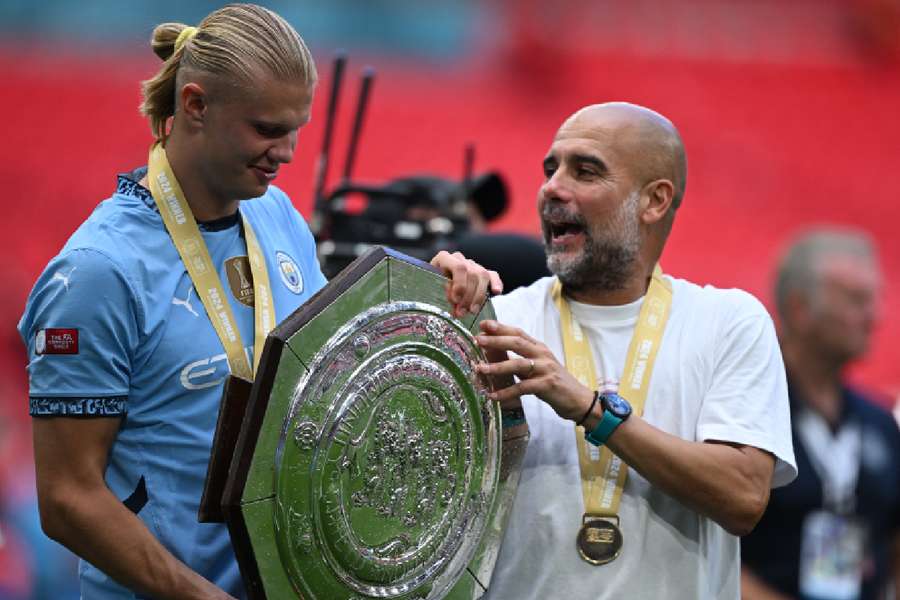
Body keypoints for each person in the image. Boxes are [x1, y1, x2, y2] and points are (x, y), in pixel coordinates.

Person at [17, 5, 497, 599]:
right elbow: (67, 498)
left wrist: (428, 288)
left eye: (296, 129)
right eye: (267, 130)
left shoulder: (276, 215)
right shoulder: (99, 272)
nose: (288, 151)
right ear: (194, 106)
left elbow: (334, 379)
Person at [472, 102, 797, 599]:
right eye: (550, 168)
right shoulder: (498, 324)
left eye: (585, 171)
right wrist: (428, 311)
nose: (552, 187)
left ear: (654, 201)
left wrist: (589, 408)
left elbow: (743, 497)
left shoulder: (729, 322)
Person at [741, 229, 900, 600]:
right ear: (800, 308)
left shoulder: (879, 424)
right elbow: (701, 543)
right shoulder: (740, 409)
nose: (874, 317)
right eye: (856, 300)